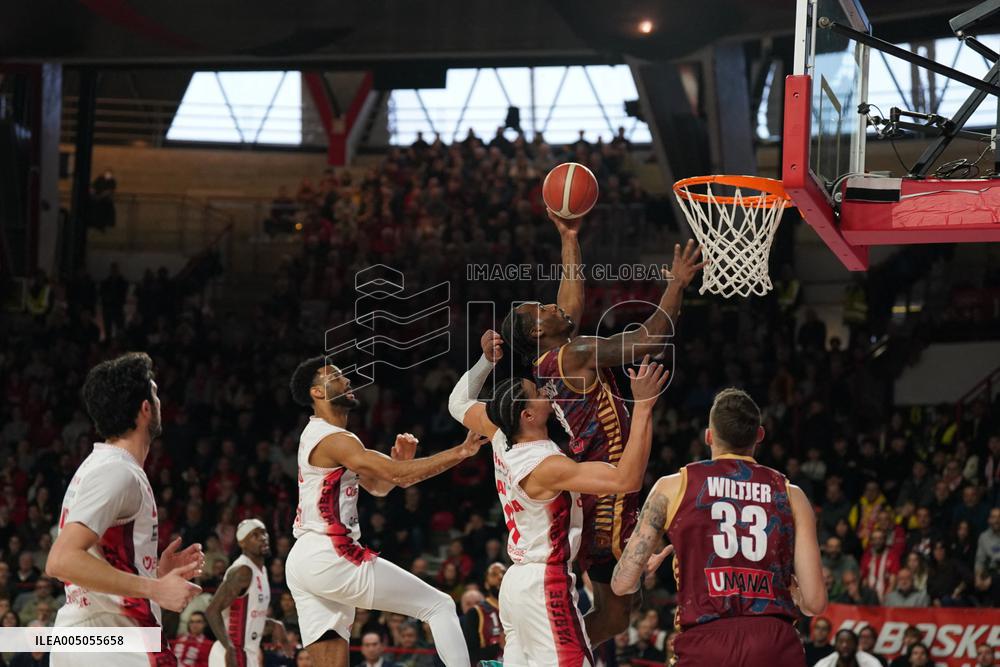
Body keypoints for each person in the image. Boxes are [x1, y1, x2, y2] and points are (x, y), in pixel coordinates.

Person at [501, 211, 704, 646]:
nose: (555, 305)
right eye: (544, 308)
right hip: (609, 486)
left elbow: (570, 305)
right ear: (538, 328)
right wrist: (677, 283)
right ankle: (546, 656)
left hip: (598, 484)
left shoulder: (549, 360)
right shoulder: (573, 354)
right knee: (615, 611)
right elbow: (650, 338)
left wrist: (569, 238)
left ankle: (545, 654)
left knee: (613, 620)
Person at [448, 329, 668, 667]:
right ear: (528, 416)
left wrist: (485, 362)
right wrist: (642, 407)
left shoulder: (499, 431)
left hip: (517, 584)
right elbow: (627, 478)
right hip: (544, 584)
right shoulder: (546, 466)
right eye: (536, 392)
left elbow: (457, 403)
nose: (544, 390)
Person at [285, 358, 485, 667]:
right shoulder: (333, 439)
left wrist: (399, 468)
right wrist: (461, 452)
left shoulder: (325, 436)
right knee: (439, 605)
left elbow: (380, 488)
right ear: (317, 392)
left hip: (304, 560)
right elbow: (398, 476)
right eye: (335, 376)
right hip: (329, 556)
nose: (347, 380)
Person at [611, 388, 827, 666]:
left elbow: (621, 583)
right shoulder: (791, 494)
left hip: (705, 641)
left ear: (709, 436)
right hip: (773, 642)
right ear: (759, 435)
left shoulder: (673, 486)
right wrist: (792, 588)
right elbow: (815, 603)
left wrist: (642, 569)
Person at [46, 352, 203, 667]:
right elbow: (62, 560)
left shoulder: (100, 465)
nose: (159, 402)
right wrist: (154, 587)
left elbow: (97, 559)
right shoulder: (117, 471)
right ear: (146, 408)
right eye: (155, 394)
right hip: (112, 642)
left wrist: (152, 572)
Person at [205, 519, 288, 667]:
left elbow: (248, 617)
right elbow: (212, 611)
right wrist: (229, 648)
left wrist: (273, 624)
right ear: (242, 543)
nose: (262, 537)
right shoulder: (243, 571)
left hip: (248, 651)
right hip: (232, 652)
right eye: (254, 535)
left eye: (263, 532)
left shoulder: (262, 570)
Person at [461, 563, 505, 664]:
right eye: (494, 574)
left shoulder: (518, 609)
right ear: (486, 583)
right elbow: (470, 654)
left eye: (503, 574)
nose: (500, 577)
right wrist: (499, 646)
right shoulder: (475, 613)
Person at [814, 630, 883, 667]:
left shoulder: (871, 663)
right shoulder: (824, 664)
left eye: (849, 642)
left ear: (856, 645)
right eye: (841, 642)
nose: (845, 645)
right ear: (835, 646)